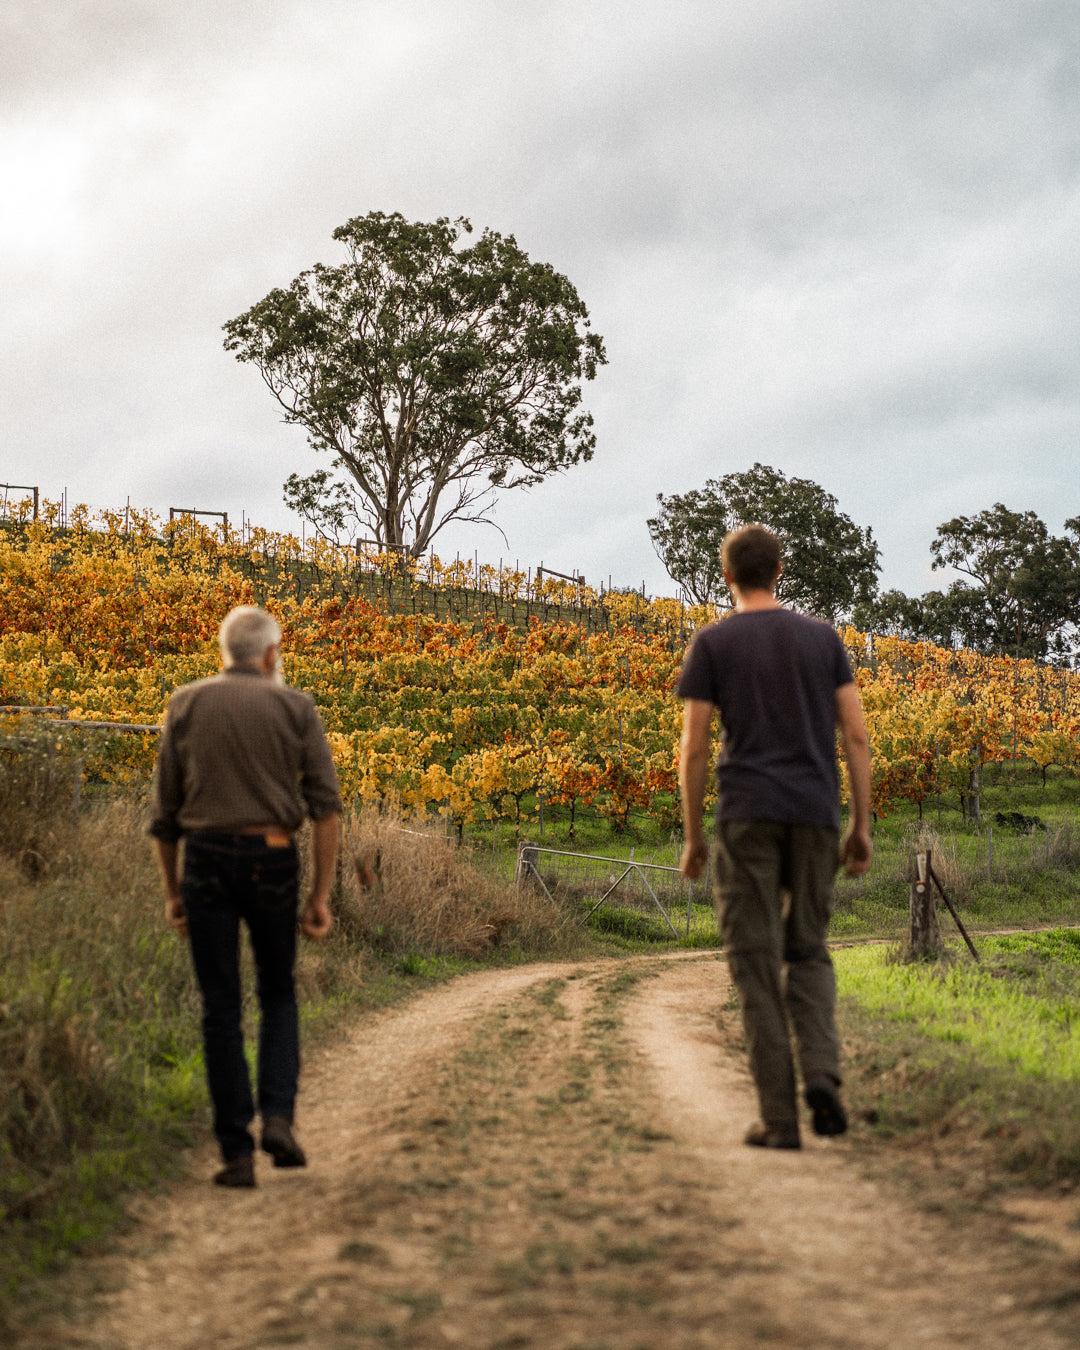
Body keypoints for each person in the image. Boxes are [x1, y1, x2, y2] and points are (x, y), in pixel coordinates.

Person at [676, 525, 872, 1149]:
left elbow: (695, 745)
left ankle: (780, 1121)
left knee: (755, 963)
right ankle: (821, 1072)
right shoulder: (823, 639)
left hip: (747, 814)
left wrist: (692, 835)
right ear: (780, 570)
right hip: (816, 814)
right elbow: (856, 737)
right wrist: (860, 824)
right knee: (808, 951)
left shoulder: (712, 643)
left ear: (727, 576)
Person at [148, 605, 342, 1187]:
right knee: (278, 994)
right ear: (271, 655)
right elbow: (327, 810)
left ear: (224, 654)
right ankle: (278, 1118)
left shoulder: (185, 703)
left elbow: (164, 817)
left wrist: (172, 892)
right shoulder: (295, 708)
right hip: (273, 858)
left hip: (205, 860)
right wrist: (320, 896)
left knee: (220, 1006)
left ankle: (235, 1152)